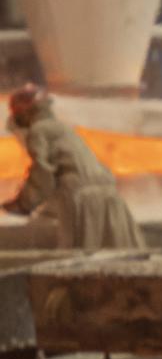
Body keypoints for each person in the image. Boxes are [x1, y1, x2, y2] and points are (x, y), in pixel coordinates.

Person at [1, 84, 145, 249]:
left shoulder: (38, 131)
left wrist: (22, 204)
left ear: (24, 114)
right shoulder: (63, 128)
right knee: (119, 253)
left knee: (82, 256)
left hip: (81, 202)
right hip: (110, 197)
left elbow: (43, 174)